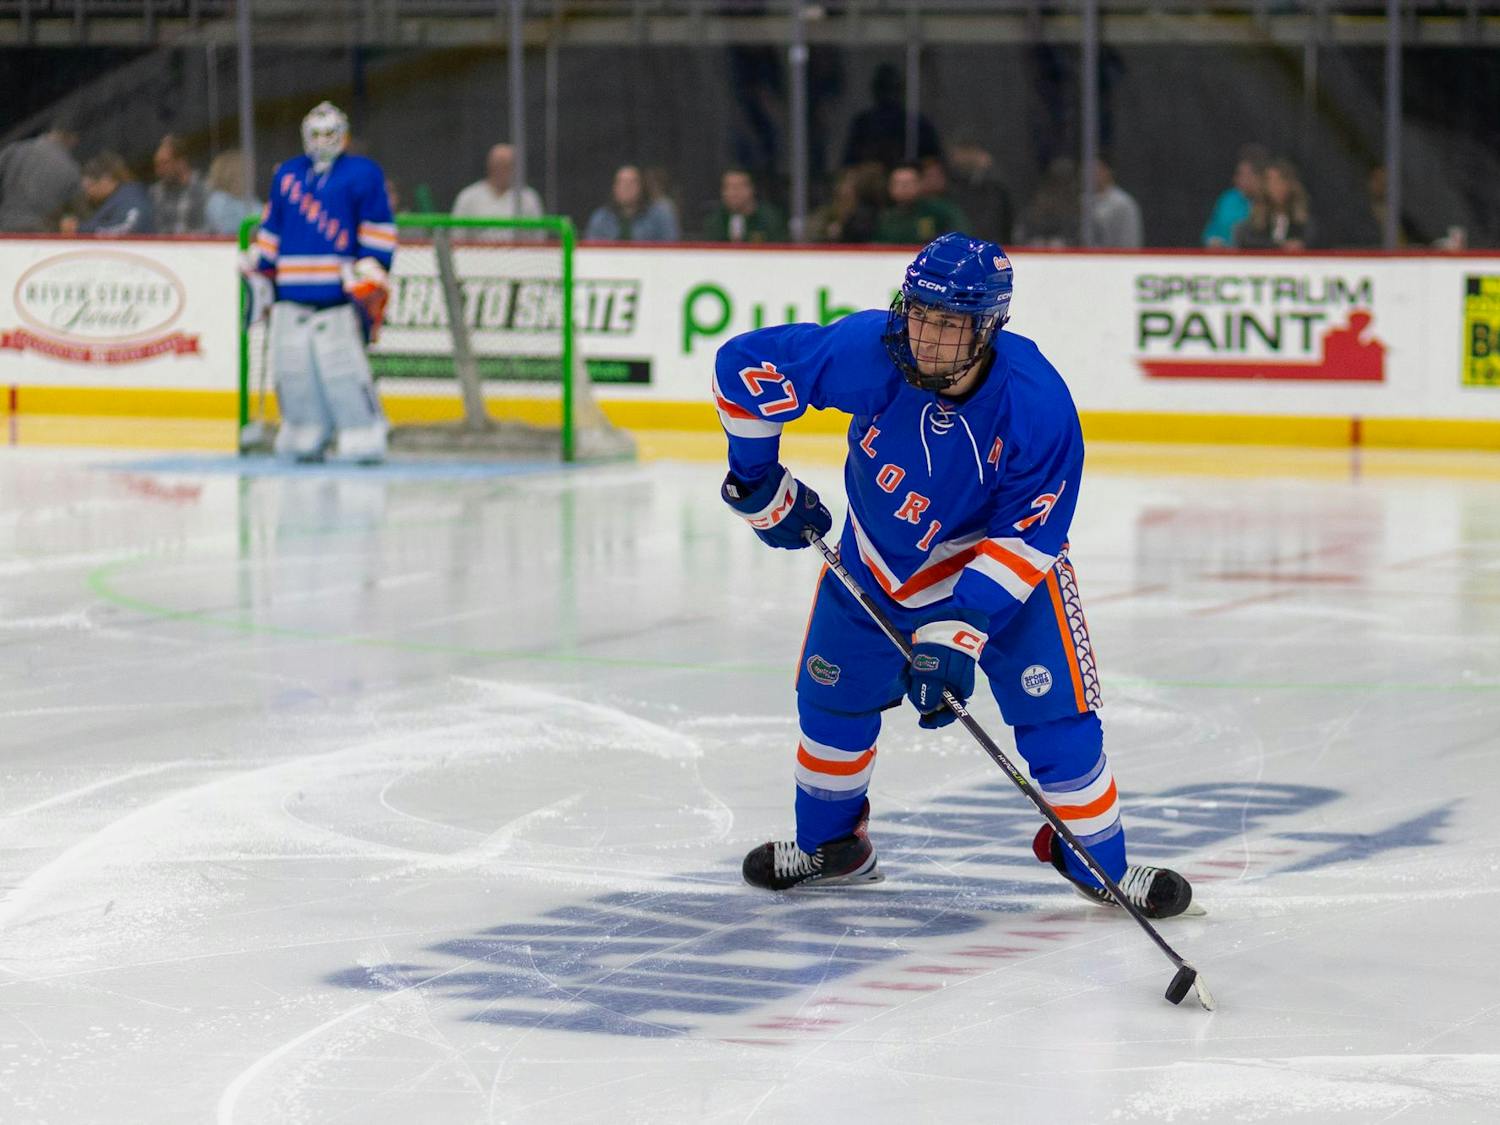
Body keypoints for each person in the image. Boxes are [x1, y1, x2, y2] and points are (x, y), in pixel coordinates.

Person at [714, 232, 1195, 920]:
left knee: (1059, 722)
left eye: (949, 324)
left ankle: (1098, 861)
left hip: (1000, 574)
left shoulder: (1037, 405)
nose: (927, 338)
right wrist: (757, 481)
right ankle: (835, 848)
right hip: (877, 564)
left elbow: (1031, 536)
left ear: (989, 327)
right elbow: (743, 369)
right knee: (830, 709)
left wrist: (958, 627)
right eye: (919, 313)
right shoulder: (866, 351)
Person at [249, 101, 396, 463]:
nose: (322, 141)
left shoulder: (362, 174)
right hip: (290, 295)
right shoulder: (287, 175)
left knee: (341, 370)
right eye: (315, 134)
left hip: (336, 296)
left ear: (343, 135)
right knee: (294, 371)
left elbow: (378, 227)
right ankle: (304, 431)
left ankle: (362, 432)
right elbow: (273, 227)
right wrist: (260, 264)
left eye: (330, 134)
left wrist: (373, 266)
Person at [842, 62, 942, 171]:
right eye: (884, 89)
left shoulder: (916, 124)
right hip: (870, 182)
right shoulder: (863, 123)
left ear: (901, 91)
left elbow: (933, 163)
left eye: (893, 89)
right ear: (876, 91)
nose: (889, 96)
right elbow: (849, 165)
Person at [0, 117, 81, 232]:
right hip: (41, 232)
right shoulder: (71, 168)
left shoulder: (16, 150)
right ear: (73, 139)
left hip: (5, 225)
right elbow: (74, 210)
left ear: (52, 132)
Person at [451, 143, 545, 241]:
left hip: (519, 255)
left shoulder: (529, 198)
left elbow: (539, 237)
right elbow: (457, 236)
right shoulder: (468, 196)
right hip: (477, 254)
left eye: (507, 166)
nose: (501, 170)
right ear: (489, 165)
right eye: (497, 165)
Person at [873, 161, 966, 244]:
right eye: (898, 183)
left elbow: (962, 233)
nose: (904, 188)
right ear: (890, 187)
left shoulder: (939, 210)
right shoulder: (885, 217)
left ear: (920, 184)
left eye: (908, 183)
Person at [1233, 158, 1312, 251]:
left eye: (1280, 180)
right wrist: (1280, 247)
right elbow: (1247, 243)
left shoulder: (1304, 224)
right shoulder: (1251, 227)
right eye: (1270, 181)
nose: (1275, 186)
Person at [66, 153, 154, 235]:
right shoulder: (116, 198)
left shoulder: (131, 198)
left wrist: (80, 229)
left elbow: (127, 229)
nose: (88, 193)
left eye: (90, 186)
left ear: (106, 179)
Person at [583, 164, 677, 241]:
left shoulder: (660, 216)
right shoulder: (601, 218)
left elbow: (671, 249)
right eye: (621, 183)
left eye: (632, 183)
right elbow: (591, 251)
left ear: (641, 187)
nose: (626, 188)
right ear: (614, 188)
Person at [946, 140, 1014, 244]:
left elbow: (1002, 221)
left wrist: (988, 171)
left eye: (967, 151)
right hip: (961, 246)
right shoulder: (951, 185)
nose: (960, 157)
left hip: (990, 245)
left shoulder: (994, 188)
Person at [1201, 145, 1266, 248]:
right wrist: (1213, 240)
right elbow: (1211, 231)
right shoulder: (1228, 199)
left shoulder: (1271, 201)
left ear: (1259, 176)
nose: (1237, 179)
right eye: (1238, 174)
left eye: (1244, 175)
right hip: (1227, 259)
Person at [702, 168, 787, 243]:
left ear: (752, 189)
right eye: (728, 187)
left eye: (738, 187)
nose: (733, 193)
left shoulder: (770, 218)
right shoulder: (715, 220)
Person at [1014, 157, 1079, 247]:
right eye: (1055, 181)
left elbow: (1076, 237)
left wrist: (1061, 243)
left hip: (1065, 255)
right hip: (1031, 254)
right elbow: (1019, 237)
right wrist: (1034, 242)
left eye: (1064, 182)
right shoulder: (1031, 213)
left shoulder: (1071, 211)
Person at [150, 134, 209, 234]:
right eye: (157, 165)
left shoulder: (205, 190)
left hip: (196, 247)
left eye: (164, 163)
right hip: (162, 248)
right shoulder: (155, 193)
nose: (159, 171)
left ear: (181, 162)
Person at [809, 164, 882, 244]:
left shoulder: (866, 214)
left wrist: (842, 231)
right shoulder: (825, 212)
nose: (846, 188)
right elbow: (812, 236)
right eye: (844, 182)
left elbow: (864, 238)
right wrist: (826, 234)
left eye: (851, 183)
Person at [203, 150, 261, 236]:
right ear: (234, 173)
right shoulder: (219, 201)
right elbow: (230, 230)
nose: (253, 176)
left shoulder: (247, 197)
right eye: (248, 171)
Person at [1089, 157, 1143, 248]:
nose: (1091, 174)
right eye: (1087, 170)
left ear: (1108, 171)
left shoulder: (1123, 203)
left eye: (1097, 170)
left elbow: (1130, 241)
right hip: (1085, 259)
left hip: (1113, 259)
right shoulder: (1083, 200)